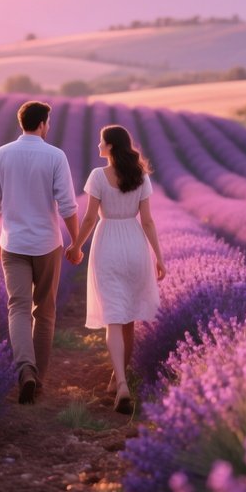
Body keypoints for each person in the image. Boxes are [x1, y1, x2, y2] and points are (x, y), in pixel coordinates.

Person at [0, 100, 79, 404]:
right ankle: (37, 380)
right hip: (46, 244)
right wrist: (76, 242)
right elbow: (68, 204)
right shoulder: (55, 156)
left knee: (19, 308)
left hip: (13, 243)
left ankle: (25, 369)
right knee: (44, 311)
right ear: (42, 123)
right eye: (48, 122)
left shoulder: (1, 154)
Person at [67, 125, 165, 414]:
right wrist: (159, 257)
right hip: (135, 245)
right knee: (129, 319)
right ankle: (117, 378)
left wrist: (76, 247)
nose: (98, 145)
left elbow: (88, 219)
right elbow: (147, 221)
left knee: (113, 317)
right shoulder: (140, 176)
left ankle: (121, 383)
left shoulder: (98, 176)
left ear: (110, 146)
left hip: (108, 243)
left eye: (101, 142)